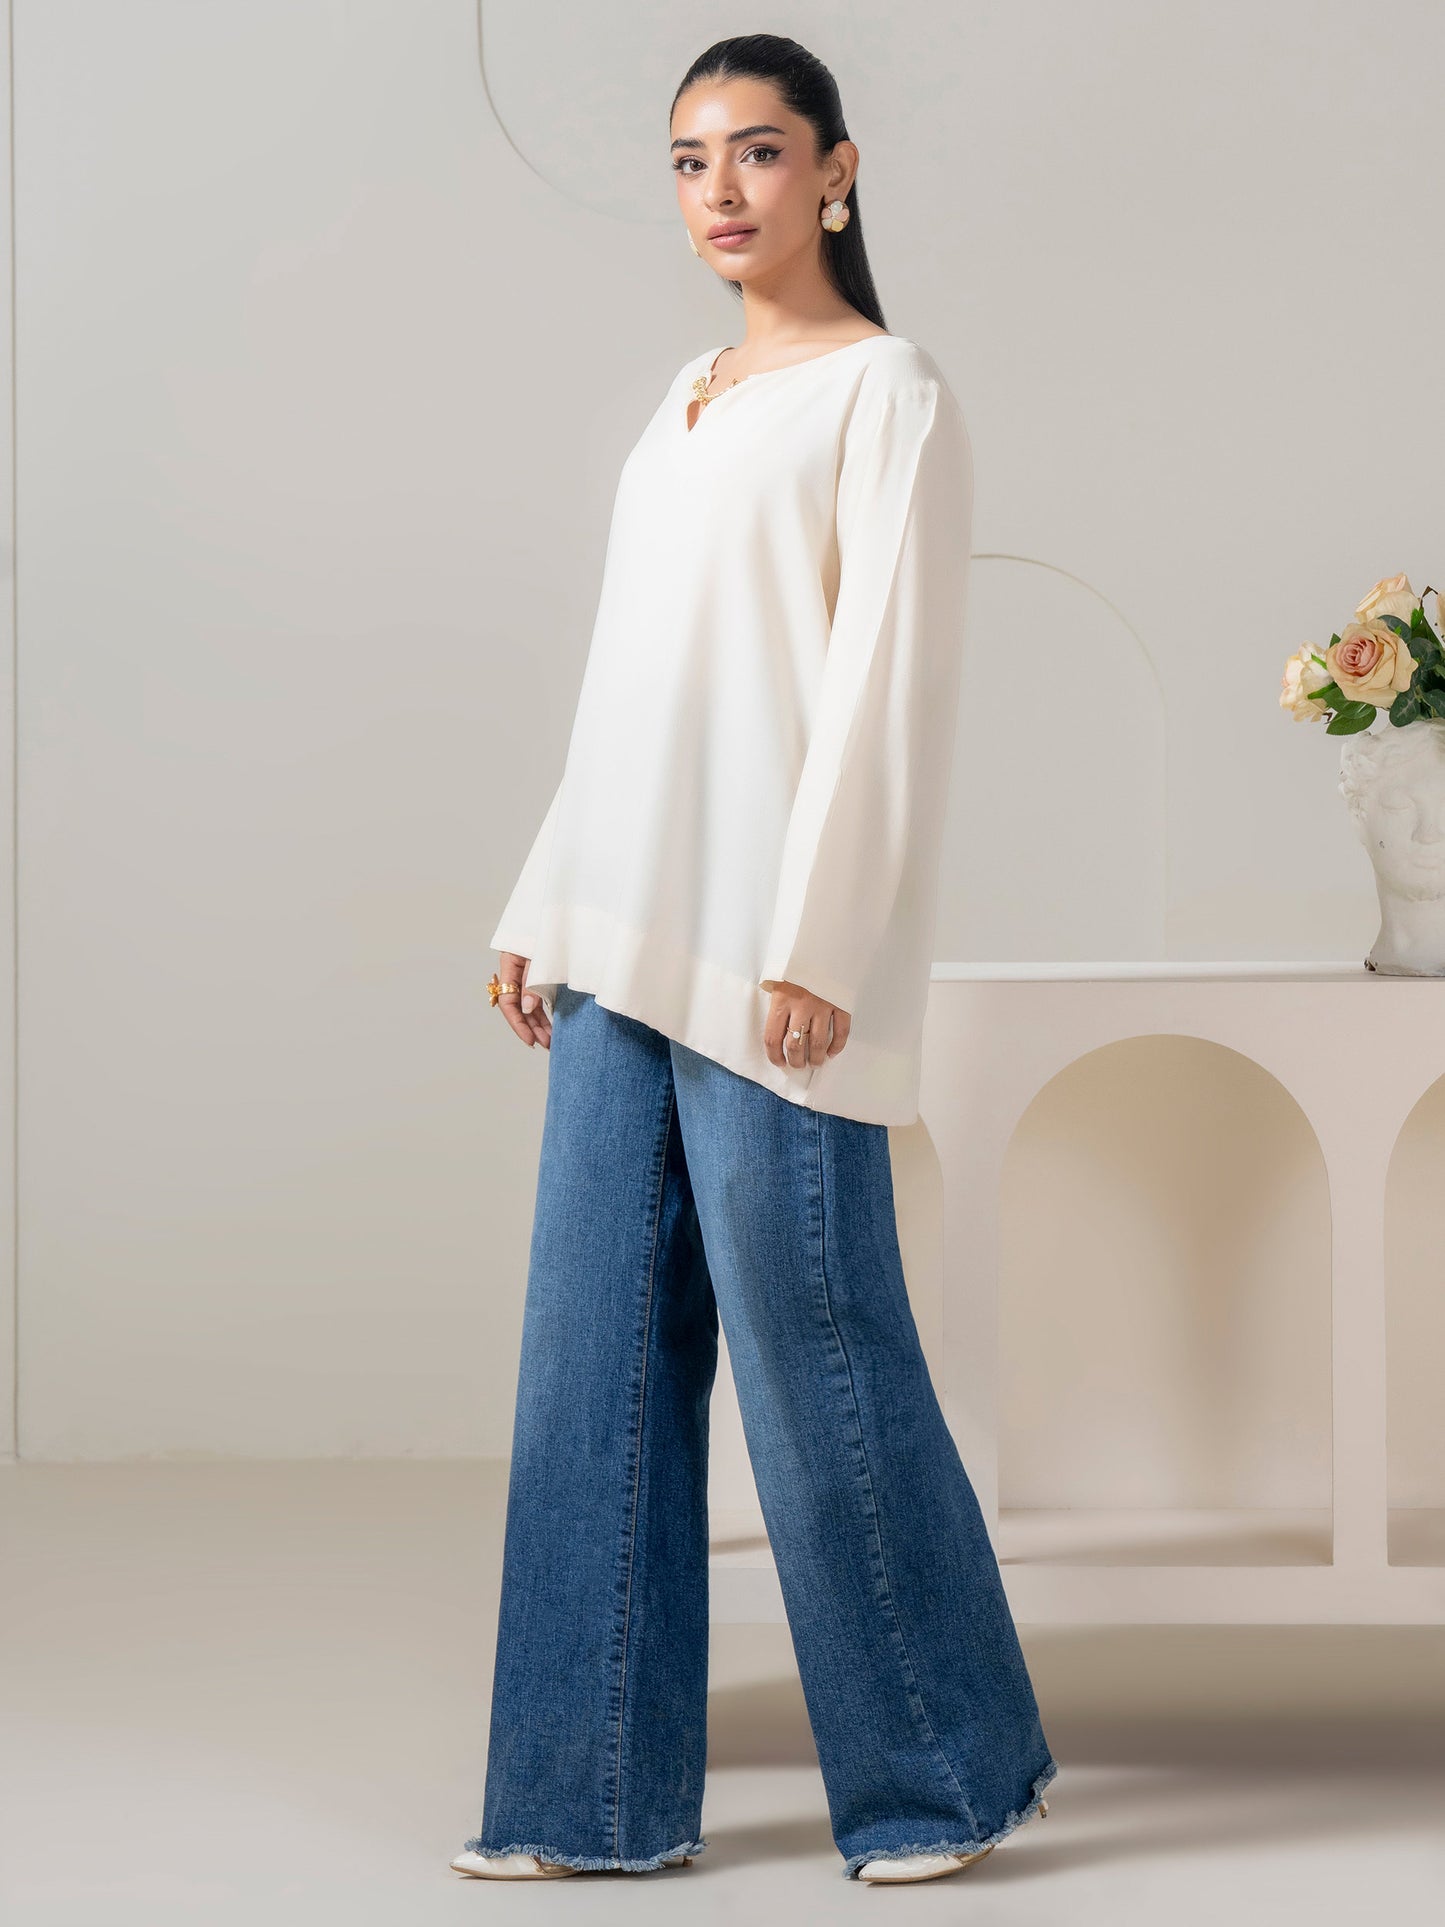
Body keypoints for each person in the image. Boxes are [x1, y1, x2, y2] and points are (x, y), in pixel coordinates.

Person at [451, 32, 1058, 1888]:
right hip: (618, 932)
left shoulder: (889, 392)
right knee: (588, 1369)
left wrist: (824, 939)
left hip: (768, 950)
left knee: (818, 1358)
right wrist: (542, 892)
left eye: (759, 151)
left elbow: (884, 687)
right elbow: (637, 682)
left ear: (836, 171)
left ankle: (942, 1780)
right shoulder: (687, 399)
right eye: (688, 159)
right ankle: (582, 1802)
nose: (719, 190)